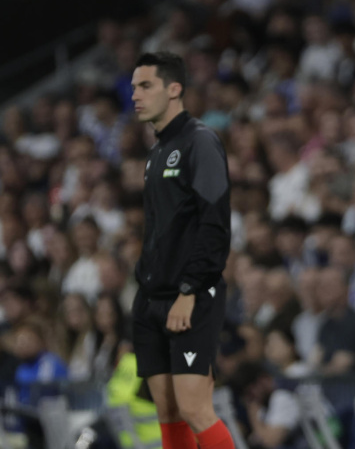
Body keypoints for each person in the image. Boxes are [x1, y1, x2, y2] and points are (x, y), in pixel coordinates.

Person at [130, 51, 234, 449]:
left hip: (189, 296)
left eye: (145, 86)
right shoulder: (157, 151)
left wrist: (189, 290)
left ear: (174, 89)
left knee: (195, 409)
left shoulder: (199, 142)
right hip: (152, 298)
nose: (135, 95)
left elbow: (215, 223)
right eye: (134, 87)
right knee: (168, 412)